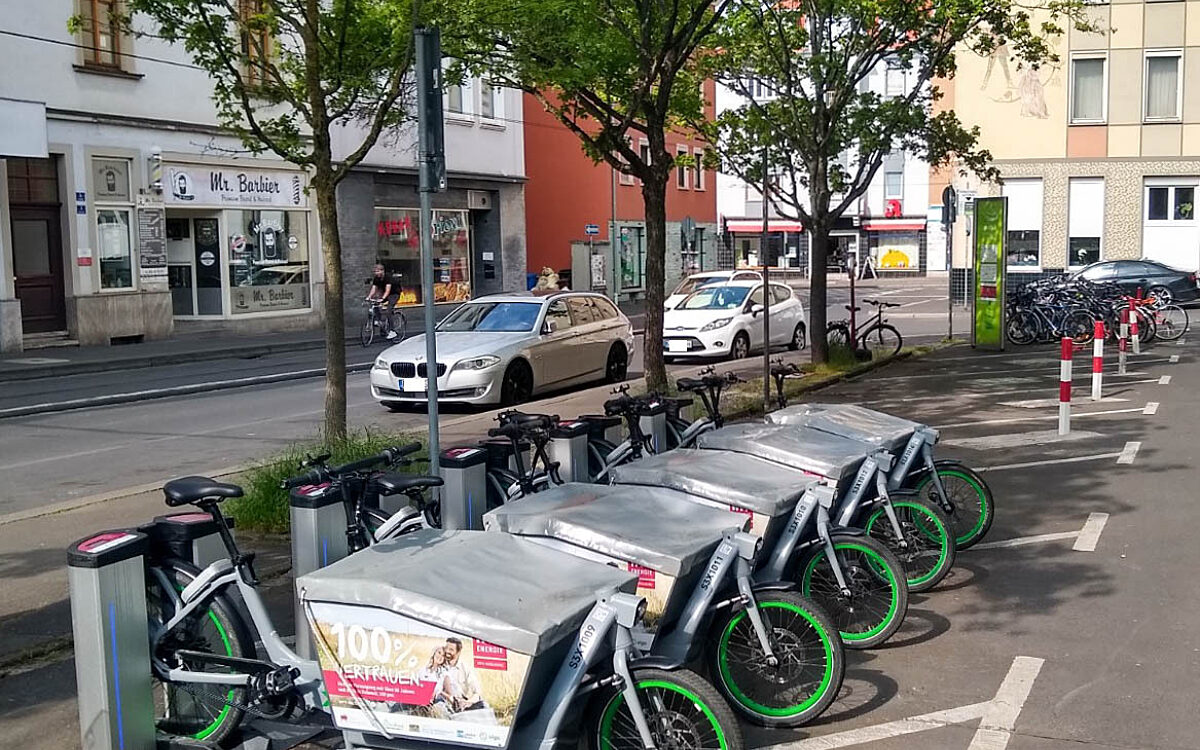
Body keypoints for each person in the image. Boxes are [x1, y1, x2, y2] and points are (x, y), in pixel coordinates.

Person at [441, 637, 486, 713]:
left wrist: (467, 702)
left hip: (459, 703)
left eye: (451, 649)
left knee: (483, 705)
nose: (447, 651)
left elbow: (477, 693)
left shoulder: (465, 668)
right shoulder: (439, 663)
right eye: (446, 648)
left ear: (458, 652)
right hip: (442, 701)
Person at [366, 263, 398, 339]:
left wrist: (382, 299)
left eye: (378, 271)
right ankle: (379, 321)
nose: (376, 273)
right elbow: (374, 289)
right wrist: (369, 297)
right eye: (375, 272)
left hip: (394, 294)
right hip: (385, 294)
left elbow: (388, 290)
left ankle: (392, 331)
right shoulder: (376, 278)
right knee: (375, 304)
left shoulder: (388, 278)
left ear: (382, 271)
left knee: (388, 311)